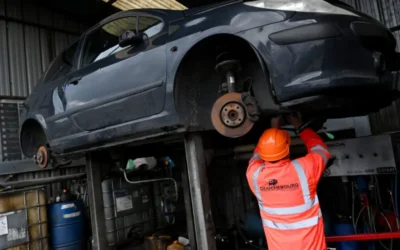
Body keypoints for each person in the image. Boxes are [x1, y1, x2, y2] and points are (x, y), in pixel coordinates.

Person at [246, 114, 331, 250]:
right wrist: (301, 127)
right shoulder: (304, 169)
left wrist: (272, 132)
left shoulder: (254, 175)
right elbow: (320, 150)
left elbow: (256, 156)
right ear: (287, 147)